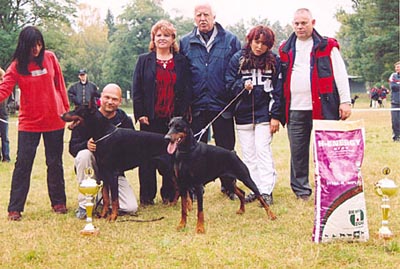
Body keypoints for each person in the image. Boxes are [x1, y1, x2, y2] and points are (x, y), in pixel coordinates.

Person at [279, 8, 352, 201]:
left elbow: (340, 75)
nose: (300, 27)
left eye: (304, 23)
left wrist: (345, 101)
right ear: (292, 24)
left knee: (327, 150)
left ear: (313, 22)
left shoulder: (328, 46)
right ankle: (301, 191)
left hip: (324, 107)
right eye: (296, 23)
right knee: (297, 152)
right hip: (295, 108)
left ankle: (331, 185)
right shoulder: (285, 48)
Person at [0, 26, 70, 221]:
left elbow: (60, 85)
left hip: (55, 120)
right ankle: (15, 208)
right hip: (29, 123)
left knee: (54, 162)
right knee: (23, 164)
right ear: (24, 46)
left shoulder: (50, 57)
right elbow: (4, 90)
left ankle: (58, 202)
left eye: (39, 44)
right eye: (32, 46)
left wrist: (65, 111)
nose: (37, 49)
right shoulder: (16, 66)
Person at [179, 2, 241, 199]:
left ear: (214, 16)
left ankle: (229, 186)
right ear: (194, 18)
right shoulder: (185, 42)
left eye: (206, 14)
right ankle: (196, 187)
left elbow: (236, 71)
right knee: (195, 148)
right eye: (198, 15)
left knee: (225, 147)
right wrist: (186, 103)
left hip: (222, 104)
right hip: (196, 105)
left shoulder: (230, 40)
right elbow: (183, 75)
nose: (202, 18)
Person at [132, 20, 191, 205]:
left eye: (166, 35)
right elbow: (137, 89)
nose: (162, 38)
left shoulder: (181, 61)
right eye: (158, 35)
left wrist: (182, 116)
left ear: (173, 38)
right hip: (150, 119)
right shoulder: (144, 60)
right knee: (146, 158)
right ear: (153, 38)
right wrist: (140, 113)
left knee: (171, 157)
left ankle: (169, 194)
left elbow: (187, 89)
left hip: (172, 121)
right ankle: (147, 197)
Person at [225, 25, 283, 205]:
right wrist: (242, 84)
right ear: (250, 40)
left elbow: (278, 91)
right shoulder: (238, 59)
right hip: (242, 116)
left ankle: (267, 191)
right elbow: (228, 84)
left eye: (264, 44)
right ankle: (255, 189)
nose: (259, 47)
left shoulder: (274, 61)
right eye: (256, 42)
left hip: (264, 115)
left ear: (269, 45)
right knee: (249, 155)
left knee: (262, 151)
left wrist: (275, 116)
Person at [69, 83, 138, 218]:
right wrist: (86, 145)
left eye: (114, 99)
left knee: (130, 207)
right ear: (101, 98)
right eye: (107, 97)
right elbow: (72, 148)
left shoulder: (124, 120)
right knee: (84, 154)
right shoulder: (86, 116)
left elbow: (131, 150)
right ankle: (85, 204)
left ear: (120, 101)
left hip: (113, 171)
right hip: (91, 166)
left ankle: (103, 195)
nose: (110, 102)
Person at [0, 67, 11, 163]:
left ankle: (6, 157)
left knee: (5, 137)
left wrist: (8, 108)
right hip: (3, 115)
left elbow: (11, 102)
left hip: (4, 116)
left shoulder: (7, 89)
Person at [389, 61, 400, 142]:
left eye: (399, 67)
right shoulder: (393, 76)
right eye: (396, 67)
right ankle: (396, 136)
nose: (397, 69)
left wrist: (398, 84)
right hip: (395, 102)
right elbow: (393, 86)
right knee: (395, 121)